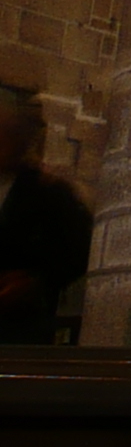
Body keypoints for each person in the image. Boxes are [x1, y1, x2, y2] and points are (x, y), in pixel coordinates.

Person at [0, 98, 91, 343]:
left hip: (17, 327)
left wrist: (34, 282)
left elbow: (80, 249)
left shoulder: (48, 194)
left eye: (6, 138)